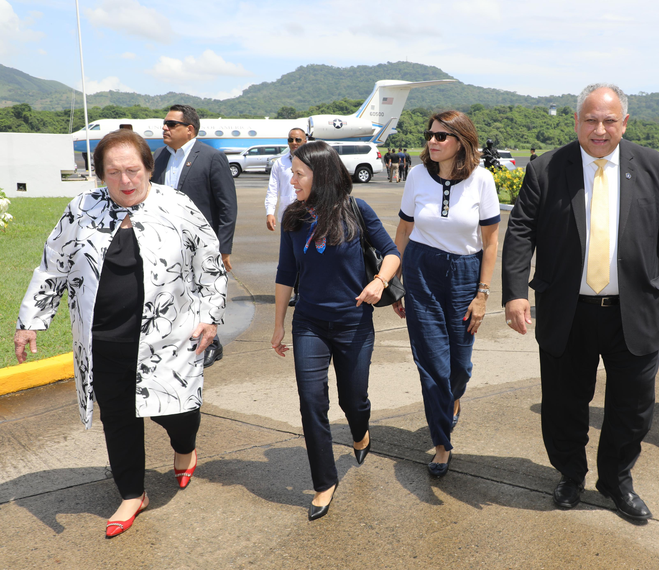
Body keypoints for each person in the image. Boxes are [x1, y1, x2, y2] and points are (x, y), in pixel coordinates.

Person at [14, 129, 227, 538]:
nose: (125, 181)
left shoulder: (177, 206)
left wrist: (210, 315)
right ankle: (132, 493)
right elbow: (53, 267)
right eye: (114, 173)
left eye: (133, 170)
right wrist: (31, 321)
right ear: (100, 176)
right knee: (118, 417)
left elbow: (210, 264)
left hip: (169, 339)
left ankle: (185, 446)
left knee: (177, 412)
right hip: (104, 339)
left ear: (149, 168)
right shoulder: (81, 209)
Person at [502, 84, 659, 521]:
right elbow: (521, 231)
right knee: (564, 405)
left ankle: (616, 480)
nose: (599, 129)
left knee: (633, 407)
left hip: (634, 309)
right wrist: (514, 293)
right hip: (569, 311)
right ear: (576, 121)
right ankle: (570, 474)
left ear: (624, 123)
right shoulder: (546, 167)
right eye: (590, 119)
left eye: (609, 120)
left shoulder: (655, 165)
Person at [271, 141, 400, 521]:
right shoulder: (294, 217)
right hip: (308, 323)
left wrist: (379, 282)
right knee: (312, 403)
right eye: (291, 172)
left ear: (321, 175)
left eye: (298, 174)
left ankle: (361, 432)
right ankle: (324, 482)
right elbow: (284, 273)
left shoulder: (356, 211)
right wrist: (278, 324)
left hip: (353, 322)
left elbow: (392, 252)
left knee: (353, 400)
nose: (291, 180)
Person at [393, 110, 500, 478]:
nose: (432, 142)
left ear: (462, 141)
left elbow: (490, 242)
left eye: (441, 136)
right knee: (432, 366)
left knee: (460, 366)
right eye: (430, 135)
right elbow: (404, 232)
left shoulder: (482, 180)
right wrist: (396, 282)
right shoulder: (418, 176)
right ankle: (442, 444)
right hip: (422, 272)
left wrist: (482, 293)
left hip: (465, 276)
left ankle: (452, 401)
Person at [151, 104, 237, 368]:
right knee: (176, 291)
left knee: (204, 292)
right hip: (165, 242)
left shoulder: (211, 157)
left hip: (202, 243)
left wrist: (223, 248)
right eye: (164, 123)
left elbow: (227, 206)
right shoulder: (159, 157)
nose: (164, 128)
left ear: (189, 129)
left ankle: (211, 342)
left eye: (171, 124)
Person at [265, 127, 308, 231]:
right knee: (288, 247)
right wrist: (270, 212)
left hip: (309, 215)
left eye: (298, 140)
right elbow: (272, 190)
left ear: (305, 141)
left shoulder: (312, 161)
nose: (294, 143)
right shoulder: (279, 163)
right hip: (287, 215)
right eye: (290, 140)